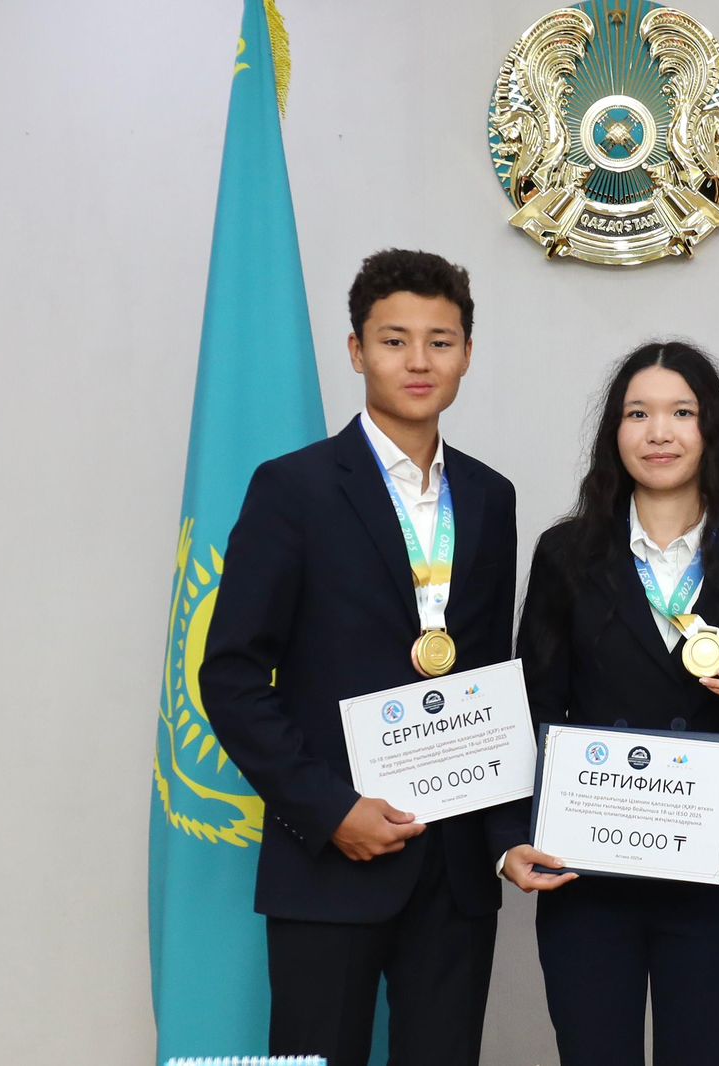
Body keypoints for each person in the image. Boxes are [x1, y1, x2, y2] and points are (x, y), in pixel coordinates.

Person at [201, 249, 523, 1066]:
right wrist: (328, 809)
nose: (419, 361)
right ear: (356, 351)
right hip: (331, 856)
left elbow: (492, 675)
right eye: (394, 340)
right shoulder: (293, 489)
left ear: (467, 355)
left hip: (454, 868)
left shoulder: (490, 497)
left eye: (440, 342)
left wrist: (503, 834)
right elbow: (231, 676)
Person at [501, 341, 719, 1066]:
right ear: (615, 432)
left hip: (709, 871)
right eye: (638, 414)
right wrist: (510, 838)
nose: (658, 432)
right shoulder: (564, 554)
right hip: (586, 870)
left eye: (680, 413)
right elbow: (533, 708)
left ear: (711, 429)